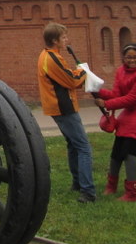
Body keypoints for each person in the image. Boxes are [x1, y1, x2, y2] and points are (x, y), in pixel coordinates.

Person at [37, 23, 96, 203]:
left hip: (59, 107)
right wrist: (84, 72)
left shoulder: (48, 55)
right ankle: (87, 191)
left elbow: (65, 75)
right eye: (63, 37)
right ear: (54, 40)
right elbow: (71, 80)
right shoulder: (51, 58)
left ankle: (77, 183)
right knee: (83, 147)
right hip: (63, 107)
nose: (66, 40)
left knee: (73, 144)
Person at [94, 43, 136, 202]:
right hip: (131, 112)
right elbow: (117, 93)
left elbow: (133, 98)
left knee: (130, 151)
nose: (132, 60)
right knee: (117, 151)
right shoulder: (120, 71)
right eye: (129, 57)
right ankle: (111, 186)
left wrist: (106, 104)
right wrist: (95, 89)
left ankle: (132, 193)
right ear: (123, 58)